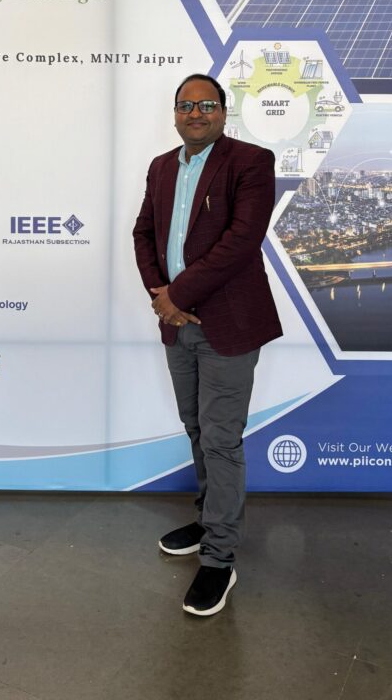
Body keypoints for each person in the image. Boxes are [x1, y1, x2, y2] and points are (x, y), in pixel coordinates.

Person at [132, 73, 282, 616]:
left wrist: (178, 294)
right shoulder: (161, 167)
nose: (195, 113)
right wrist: (161, 295)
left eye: (207, 104)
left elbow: (241, 242)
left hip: (228, 324)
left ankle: (220, 557)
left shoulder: (250, 161)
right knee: (196, 427)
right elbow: (143, 234)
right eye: (186, 105)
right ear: (175, 113)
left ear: (223, 110)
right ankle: (208, 517)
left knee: (221, 438)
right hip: (177, 323)